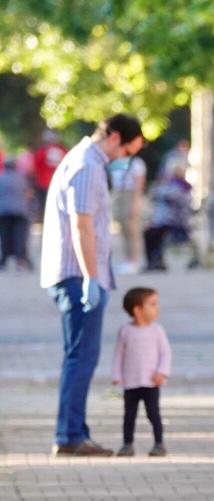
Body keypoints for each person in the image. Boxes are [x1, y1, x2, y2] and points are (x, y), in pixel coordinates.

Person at [40, 114, 145, 456]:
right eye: (128, 150)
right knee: (81, 358)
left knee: (80, 356)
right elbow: (81, 225)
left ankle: (74, 430)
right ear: (115, 138)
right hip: (76, 274)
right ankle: (70, 435)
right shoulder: (87, 166)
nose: (126, 158)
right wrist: (90, 278)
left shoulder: (84, 161)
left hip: (77, 273)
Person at [112, 287, 171, 458]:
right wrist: (116, 374)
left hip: (151, 382)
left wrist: (162, 372)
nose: (157, 308)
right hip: (131, 382)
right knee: (129, 415)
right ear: (137, 310)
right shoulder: (125, 331)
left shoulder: (157, 330)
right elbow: (119, 354)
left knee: (153, 413)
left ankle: (159, 443)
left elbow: (165, 353)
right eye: (152, 304)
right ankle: (127, 444)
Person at [143, 165, 194, 270]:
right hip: (167, 220)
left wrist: (158, 192)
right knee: (149, 234)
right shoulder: (176, 185)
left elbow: (169, 197)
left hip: (174, 221)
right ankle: (155, 261)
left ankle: (155, 262)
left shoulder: (180, 186)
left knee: (151, 234)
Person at [109, 149, 148, 273]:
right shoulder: (116, 162)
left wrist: (136, 203)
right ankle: (128, 259)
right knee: (123, 229)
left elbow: (139, 184)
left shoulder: (136, 163)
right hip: (119, 194)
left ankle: (135, 260)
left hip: (131, 195)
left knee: (133, 230)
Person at [0, 155, 34, 270]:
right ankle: (20, 259)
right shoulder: (22, 178)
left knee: (4, 236)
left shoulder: (1, 178)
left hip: (3, 212)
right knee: (20, 236)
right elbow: (29, 194)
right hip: (20, 211)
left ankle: (4, 259)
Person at [33, 131, 68, 219]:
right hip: (59, 183)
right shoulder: (63, 150)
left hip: (44, 184)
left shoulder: (42, 151)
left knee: (45, 207)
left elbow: (36, 167)